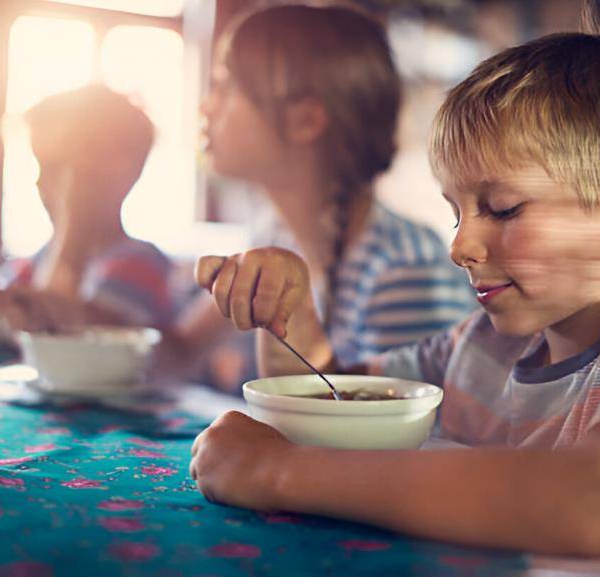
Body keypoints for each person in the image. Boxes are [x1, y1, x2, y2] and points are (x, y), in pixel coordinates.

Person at [188, 33, 600, 555]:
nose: (461, 246)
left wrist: (280, 473)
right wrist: (289, 306)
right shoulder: (483, 347)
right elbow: (334, 405)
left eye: (504, 208)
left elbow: (586, 503)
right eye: (456, 213)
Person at [168, 3, 476, 389]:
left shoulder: (406, 269)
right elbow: (177, 350)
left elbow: (393, 437)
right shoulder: (276, 233)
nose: (205, 107)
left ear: (306, 120)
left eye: (227, 85)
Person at [0, 85, 175, 333]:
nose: (39, 182)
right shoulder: (40, 260)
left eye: (55, 167)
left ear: (120, 172)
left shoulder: (138, 265)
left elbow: (55, 335)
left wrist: (74, 227)